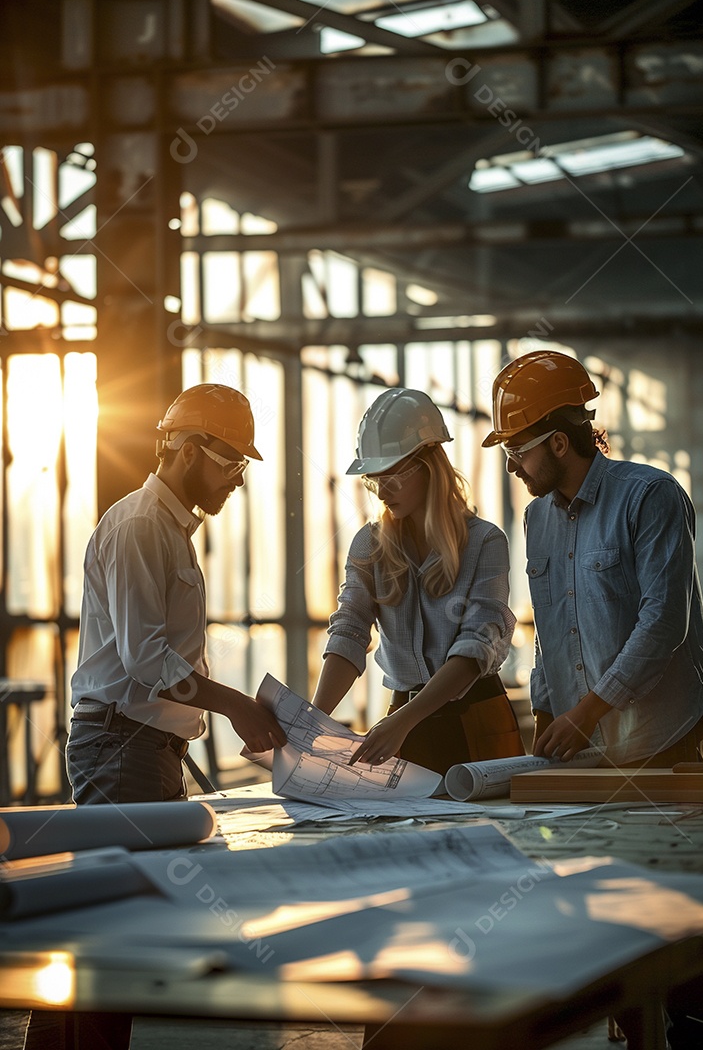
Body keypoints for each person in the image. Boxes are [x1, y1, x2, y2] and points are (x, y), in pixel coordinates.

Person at [24, 384, 286, 1050]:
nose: (237, 480)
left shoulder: (166, 527)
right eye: (231, 464)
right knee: (121, 937)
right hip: (122, 745)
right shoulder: (142, 525)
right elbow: (146, 659)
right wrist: (236, 707)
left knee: (106, 927)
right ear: (191, 450)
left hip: (139, 746)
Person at [482, 349, 703, 1050]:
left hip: (664, 734)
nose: (514, 464)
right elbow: (551, 622)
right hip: (587, 743)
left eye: (519, 449)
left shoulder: (650, 497)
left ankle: (690, 1033)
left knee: (666, 901)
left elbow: (663, 624)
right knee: (603, 899)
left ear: (559, 441)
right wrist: (550, 710)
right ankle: (633, 1026)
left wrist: (591, 710)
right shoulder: (538, 521)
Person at [312, 387, 524, 775]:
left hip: (476, 719)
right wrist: (310, 721)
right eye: (375, 479)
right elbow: (350, 629)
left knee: (491, 828)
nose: (383, 490)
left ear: (429, 466)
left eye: (393, 475)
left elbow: (477, 645)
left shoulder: (484, 542)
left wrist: (404, 720)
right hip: (402, 724)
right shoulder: (370, 544)